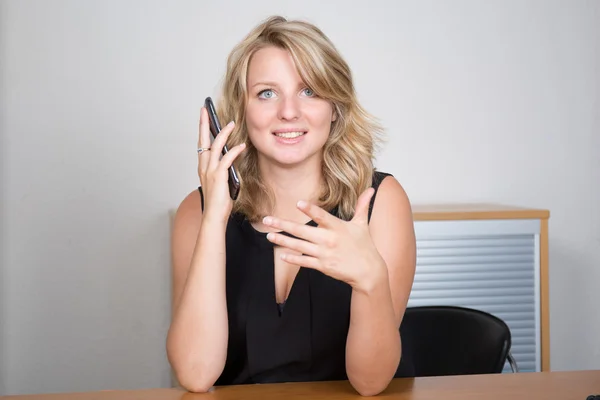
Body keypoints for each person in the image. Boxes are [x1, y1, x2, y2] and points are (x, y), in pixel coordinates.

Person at [167, 15, 416, 396]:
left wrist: (371, 281)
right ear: (242, 109)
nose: (288, 112)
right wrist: (214, 219)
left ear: (335, 107)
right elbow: (196, 374)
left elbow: (370, 383)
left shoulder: (380, 202)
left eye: (309, 91)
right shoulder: (195, 212)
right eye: (267, 93)